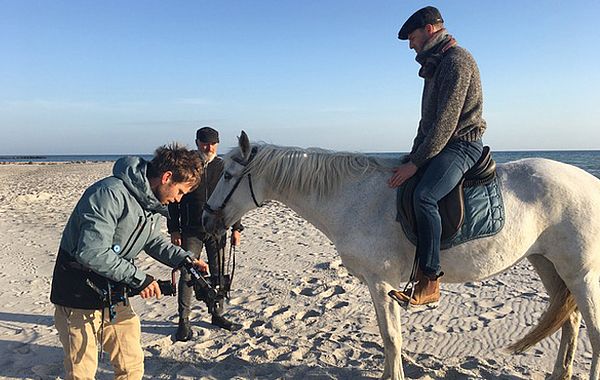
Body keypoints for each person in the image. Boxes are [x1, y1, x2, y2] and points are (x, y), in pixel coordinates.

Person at [50, 143, 209, 380]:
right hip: (78, 295)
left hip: (114, 294)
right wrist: (140, 279)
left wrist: (185, 259)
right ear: (166, 177)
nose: (178, 200)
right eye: (180, 192)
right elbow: (91, 251)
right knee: (81, 372)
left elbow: (152, 240)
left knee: (131, 366)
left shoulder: (151, 205)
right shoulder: (109, 193)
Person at [387, 6, 487, 306]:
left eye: (413, 37)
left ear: (430, 30)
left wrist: (417, 163)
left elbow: (446, 122)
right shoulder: (435, 65)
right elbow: (426, 123)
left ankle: (430, 280)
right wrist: (412, 157)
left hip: (462, 145)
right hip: (442, 144)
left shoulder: (457, 61)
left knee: (425, 197)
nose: (411, 44)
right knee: (407, 181)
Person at [168, 126, 244, 341]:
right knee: (188, 274)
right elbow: (174, 201)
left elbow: (232, 198)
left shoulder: (223, 166)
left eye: (212, 143)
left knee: (218, 273)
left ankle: (217, 314)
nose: (208, 147)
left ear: (217, 144)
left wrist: (237, 227)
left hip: (218, 230)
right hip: (191, 229)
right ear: (197, 142)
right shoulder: (187, 166)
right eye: (204, 143)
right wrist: (174, 228)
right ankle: (184, 321)